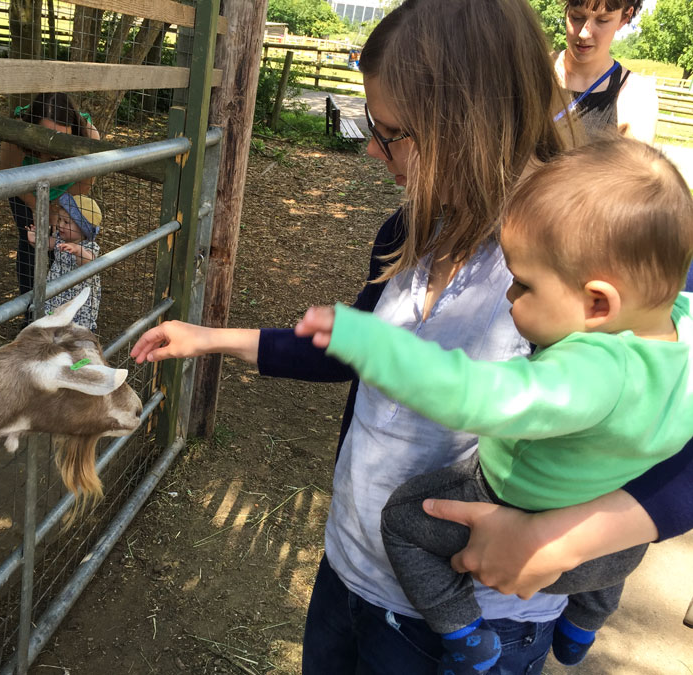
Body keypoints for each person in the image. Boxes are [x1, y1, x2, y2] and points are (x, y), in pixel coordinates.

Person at [130, 1, 693, 673]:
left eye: (392, 131)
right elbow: (357, 349)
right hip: (354, 570)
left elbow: (669, 408)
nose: (372, 148)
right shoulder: (410, 230)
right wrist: (210, 339)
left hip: (475, 617)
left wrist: (562, 537)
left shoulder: (591, 261)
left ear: (469, 124)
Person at [293, 137, 693, 673]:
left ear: (599, 302)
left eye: (522, 285)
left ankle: (463, 631)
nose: (510, 296)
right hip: (609, 550)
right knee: (622, 522)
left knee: (406, 518)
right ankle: (582, 623)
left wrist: (367, 339)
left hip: (515, 512)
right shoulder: (682, 329)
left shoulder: (592, 372)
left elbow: (471, 394)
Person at [0, 92, 100, 299]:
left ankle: (61, 302)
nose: (52, 151)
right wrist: (36, 206)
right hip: (26, 188)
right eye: (45, 139)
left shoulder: (89, 136)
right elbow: (7, 176)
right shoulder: (15, 131)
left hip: (67, 190)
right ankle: (30, 310)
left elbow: (85, 183)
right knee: (31, 243)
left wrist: (56, 209)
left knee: (65, 242)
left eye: (62, 139)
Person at [554, 0, 658, 141]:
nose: (584, 34)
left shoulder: (636, 95)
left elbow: (634, 162)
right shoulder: (530, 71)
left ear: (624, 17)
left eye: (602, 20)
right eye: (576, 17)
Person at [27, 193, 102, 332]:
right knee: (52, 321)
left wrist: (78, 251)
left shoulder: (89, 246)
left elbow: (89, 264)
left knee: (73, 329)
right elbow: (45, 245)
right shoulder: (60, 240)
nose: (60, 224)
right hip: (57, 291)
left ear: (82, 228)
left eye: (66, 222)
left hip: (76, 296)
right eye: (60, 219)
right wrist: (35, 239)